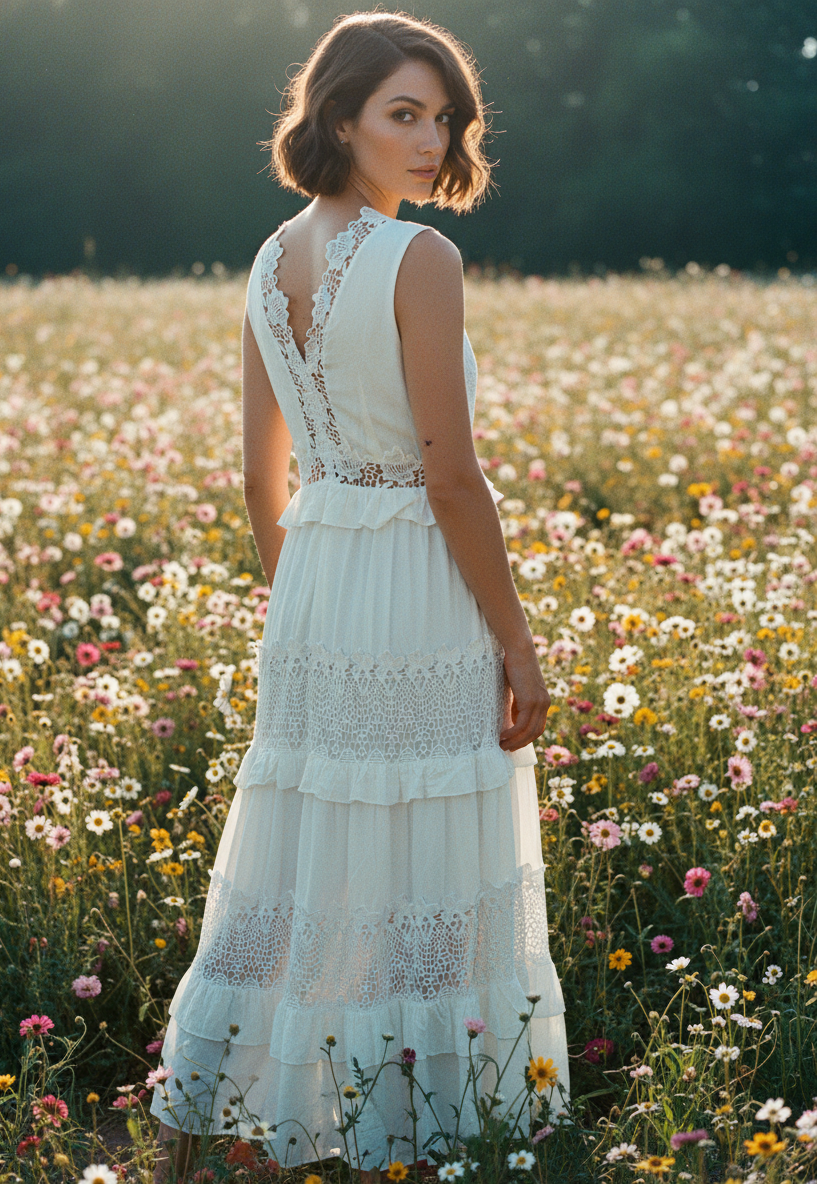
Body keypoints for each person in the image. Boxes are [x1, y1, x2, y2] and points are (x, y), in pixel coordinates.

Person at [151, 11, 569, 1181]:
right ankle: (414, 1127)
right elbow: (450, 472)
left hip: (322, 576)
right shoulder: (417, 257)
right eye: (405, 113)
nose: (433, 138)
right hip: (410, 580)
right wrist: (518, 644)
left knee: (297, 855)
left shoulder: (266, 254)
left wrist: (307, 609)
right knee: (421, 850)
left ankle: (216, 1122)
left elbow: (257, 474)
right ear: (339, 117)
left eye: (444, 117)